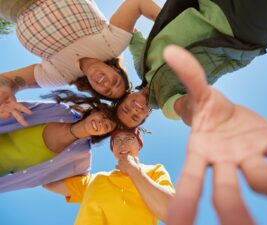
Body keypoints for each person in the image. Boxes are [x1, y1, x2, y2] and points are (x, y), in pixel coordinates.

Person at [160, 45, 267, 225]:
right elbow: (181, 107)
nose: (136, 109)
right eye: (132, 116)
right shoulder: (162, 101)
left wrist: (204, 106)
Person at [128, 0, 267, 125]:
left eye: (126, 110)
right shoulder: (166, 102)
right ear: (146, 116)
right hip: (240, 29)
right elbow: (185, 108)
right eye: (135, 117)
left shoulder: (141, 65)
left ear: (124, 97)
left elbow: (127, 35)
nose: (134, 110)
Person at [0, 0, 161, 126]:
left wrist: (6, 88)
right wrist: (171, 22)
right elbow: (137, 3)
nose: (107, 84)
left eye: (107, 92)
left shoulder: (60, 75)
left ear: (95, 89)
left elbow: (10, 80)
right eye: (116, 82)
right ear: (115, 69)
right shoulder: (113, 45)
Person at [43, 128, 175, 225]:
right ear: (112, 150)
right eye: (117, 140)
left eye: (129, 138)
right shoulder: (94, 180)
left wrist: (134, 171)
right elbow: (47, 182)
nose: (122, 144)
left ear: (139, 145)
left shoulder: (154, 171)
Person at [0, 90, 120, 192]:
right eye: (103, 116)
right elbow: (13, 109)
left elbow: (83, 190)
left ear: (103, 133)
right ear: (95, 111)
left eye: (107, 126)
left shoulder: (81, 160)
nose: (101, 123)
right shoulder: (58, 110)